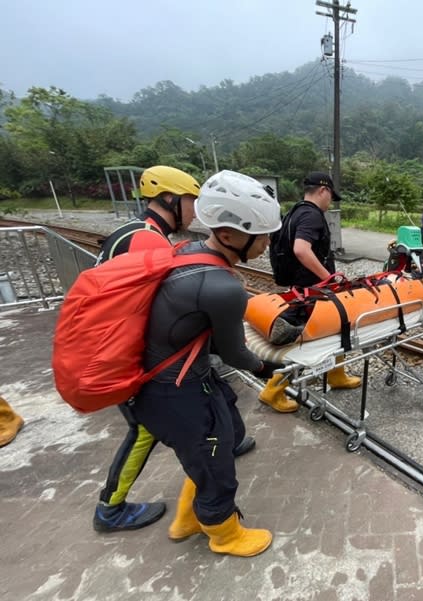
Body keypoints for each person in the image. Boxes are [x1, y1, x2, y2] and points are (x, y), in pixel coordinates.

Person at [93, 166, 257, 534]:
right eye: (191, 201)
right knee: (146, 432)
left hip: (148, 357)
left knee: (219, 403)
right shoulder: (148, 241)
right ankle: (110, 507)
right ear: (171, 199)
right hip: (141, 364)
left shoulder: (132, 232)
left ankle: (225, 444)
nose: (195, 210)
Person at [130, 170, 281, 557]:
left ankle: (187, 518)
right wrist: (268, 368)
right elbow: (234, 353)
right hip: (175, 389)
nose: (267, 243)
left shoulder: (188, 251)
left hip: (172, 379)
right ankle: (223, 533)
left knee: (222, 432)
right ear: (229, 235)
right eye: (261, 235)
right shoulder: (222, 285)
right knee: (215, 460)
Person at [259, 171, 361, 413]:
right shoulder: (312, 216)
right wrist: (328, 278)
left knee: (337, 328)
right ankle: (273, 389)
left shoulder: (295, 211)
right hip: (313, 291)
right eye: (330, 197)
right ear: (323, 190)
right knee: (308, 340)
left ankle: (336, 374)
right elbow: (301, 249)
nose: (330, 202)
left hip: (302, 288)